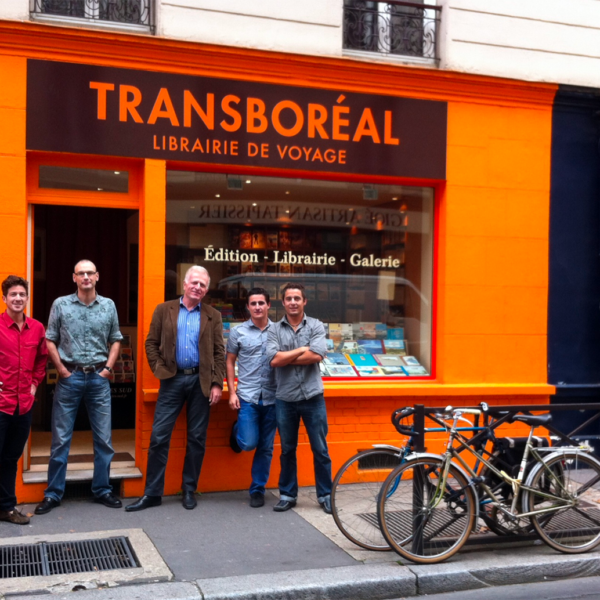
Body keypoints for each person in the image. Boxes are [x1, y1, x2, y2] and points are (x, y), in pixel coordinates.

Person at [126, 265, 226, 511]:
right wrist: (160, 370)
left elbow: (218, 352)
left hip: (200, 382)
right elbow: (151, 343)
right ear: (184, 284)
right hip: (172, 380)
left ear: (206, 290)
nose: (198, 287)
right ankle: (152, 493)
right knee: (159, 437)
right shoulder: (164, 309)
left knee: (197, 438)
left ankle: (189, 489)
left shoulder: (213, 315)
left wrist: (216, 382)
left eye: (202, 285)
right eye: (194, 282)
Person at [35, 260, 123, 515]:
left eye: (89, 273)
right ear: (74, 277)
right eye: (81, 273)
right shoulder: (61, 304)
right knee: (61, 439)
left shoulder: (108, 305)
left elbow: (116, 339)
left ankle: (102, 489)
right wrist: (61, 369)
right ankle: (53, 493)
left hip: (98, 378)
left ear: (97, 276)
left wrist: (108, 369)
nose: (86, 277)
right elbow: (50, 339)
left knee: (104, 439)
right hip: (69, 377)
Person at [266, 282, 332, 514]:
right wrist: (302, 349)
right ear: (283, 302)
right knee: (287, 449)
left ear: (304, 301)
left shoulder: (316, 325)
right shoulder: (274, 329)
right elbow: (273, 360)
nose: (293, 302)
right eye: (289, 299)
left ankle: (325, 495)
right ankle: (287, 495)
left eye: (297, 298)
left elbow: (317, 355)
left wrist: (287, 357)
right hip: (285, 399)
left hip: (313, 397)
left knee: (320, 449)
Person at [0, 276, 48, 525]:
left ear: (27, 298)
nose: (18, 298)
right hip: (1, 404)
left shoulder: (37, 328)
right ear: (4, 298)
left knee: (10, 459)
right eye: (13, 294)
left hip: (23, 405)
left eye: (22, 294)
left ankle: (6, 508)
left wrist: (34, 384)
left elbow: (41, 359)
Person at [227, 287, 277, 508]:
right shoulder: (238, 332)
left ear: (268, 305)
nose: (257, 307)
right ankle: (237, 430)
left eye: (261, 303)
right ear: (248, 307)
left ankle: (257, 489)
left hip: (273, 398)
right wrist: (231, 392)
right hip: (247, 396)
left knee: (266, 448)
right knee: (248, 443)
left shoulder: (280, 331)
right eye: (253, 303)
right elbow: (230, 361)